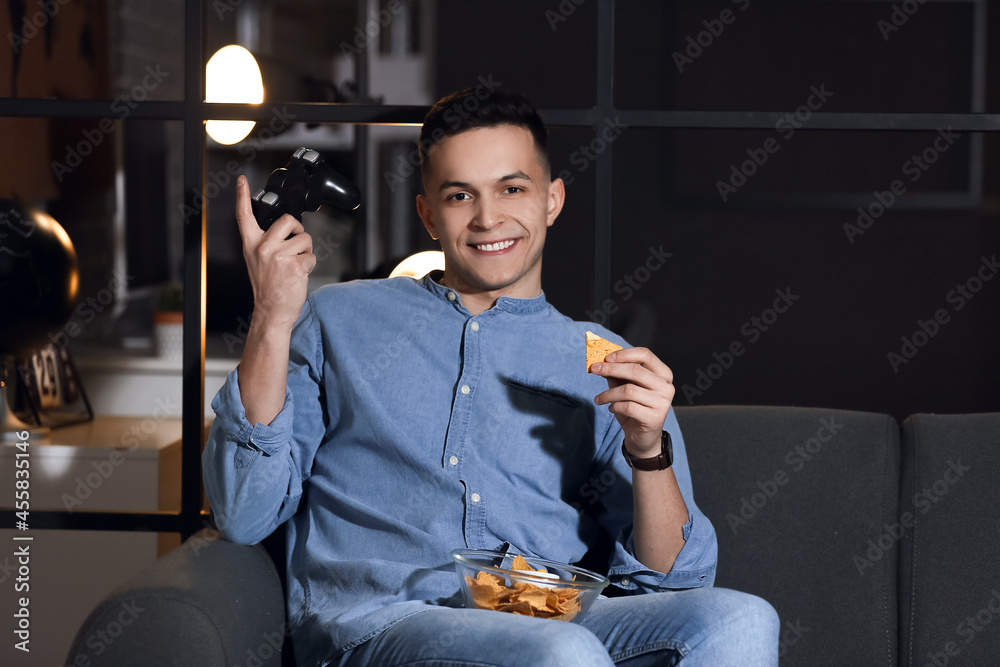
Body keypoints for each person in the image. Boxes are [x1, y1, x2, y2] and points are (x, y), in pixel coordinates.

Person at [203, 86, 779, 666]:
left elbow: (671, 581)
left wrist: (648, 449)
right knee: (563, 653)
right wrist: (272, 320)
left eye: (512, 188)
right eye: (460, 195)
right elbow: (244, 511)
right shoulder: (339, 318)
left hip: (555, 612)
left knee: (740, 619)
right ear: (428, 214)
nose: (487, 217)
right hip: (388, 621)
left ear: (551, 200)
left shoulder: (601, 357)